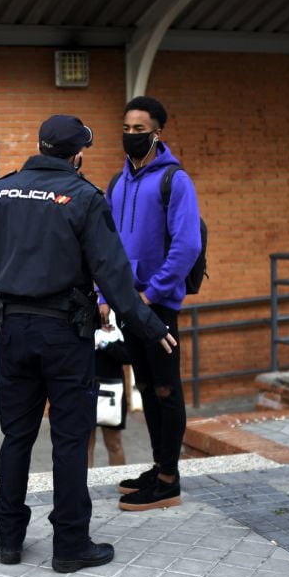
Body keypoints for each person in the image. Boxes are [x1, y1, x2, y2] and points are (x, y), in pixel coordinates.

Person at [0, 115, 176, 573]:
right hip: (65, 335)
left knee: (16, 437)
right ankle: (69, 546)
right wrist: (147, 324)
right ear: (76, 155)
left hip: (15, 333)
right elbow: (113, 273)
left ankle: (9, 541)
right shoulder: (84, 197)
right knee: (69, 441)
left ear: (40, 146)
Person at [100, 96, 202, 512]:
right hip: (128, 305)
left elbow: (187, 245)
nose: (130, 135)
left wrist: (151, 293)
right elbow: (105, 246)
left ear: (157, 132)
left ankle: (168, 480)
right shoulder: (117, 183)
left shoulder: (175, 181)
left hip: (156, 306)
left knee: (164, 388)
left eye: (139, 130)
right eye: (126, 128)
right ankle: (159, 465)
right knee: (143, 386)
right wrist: (107, 296)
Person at [88, 312, 129, 468]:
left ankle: (119, 480)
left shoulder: (118, 315)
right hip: (88, 386)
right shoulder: (84, 310)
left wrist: (104, 344)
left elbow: (127, 355)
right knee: (86, 444)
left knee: (114, 443)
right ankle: (85, 487)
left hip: (113, 388)